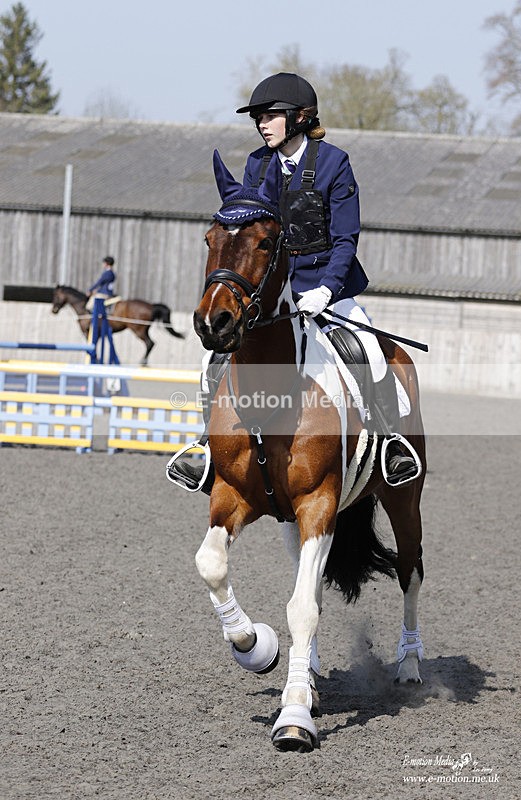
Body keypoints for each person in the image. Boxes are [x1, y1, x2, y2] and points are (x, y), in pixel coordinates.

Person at [168, 73, 418, 492]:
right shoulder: (256, 164)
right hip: (270, 296)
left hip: (325, 288)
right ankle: (207, 446)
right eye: (258, 119)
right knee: (213, 363)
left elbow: (345, 239)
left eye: (270, 116)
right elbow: (247, 235)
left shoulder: (334, 164)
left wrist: (327, 289)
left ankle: (389, 443)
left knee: (370, 353)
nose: (262, 124)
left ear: (300, 118)